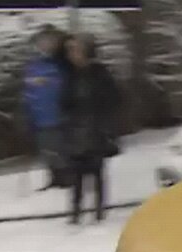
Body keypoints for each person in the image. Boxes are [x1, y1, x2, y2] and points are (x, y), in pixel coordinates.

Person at [60, 33, 121, 224]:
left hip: (96, 128)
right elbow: (63, 102)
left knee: (96, 171)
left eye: (76, 50)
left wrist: (107, 126)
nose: (72, 54)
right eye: (70, 51)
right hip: (76, 129)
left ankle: (99, 209)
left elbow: (113, 99)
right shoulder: (70, 75)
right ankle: (76, 210)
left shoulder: (99, 73)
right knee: (76, 172)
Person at [22, 24, 69, 190]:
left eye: (48, 40)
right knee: (46, 149)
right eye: (41, 41)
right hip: (39, 117)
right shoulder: (33, 66)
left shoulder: (62, 63)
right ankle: (54, 177)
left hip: (59, 115)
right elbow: (28, 90)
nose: (44, 44)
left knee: (60, 148)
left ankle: (66, 177)